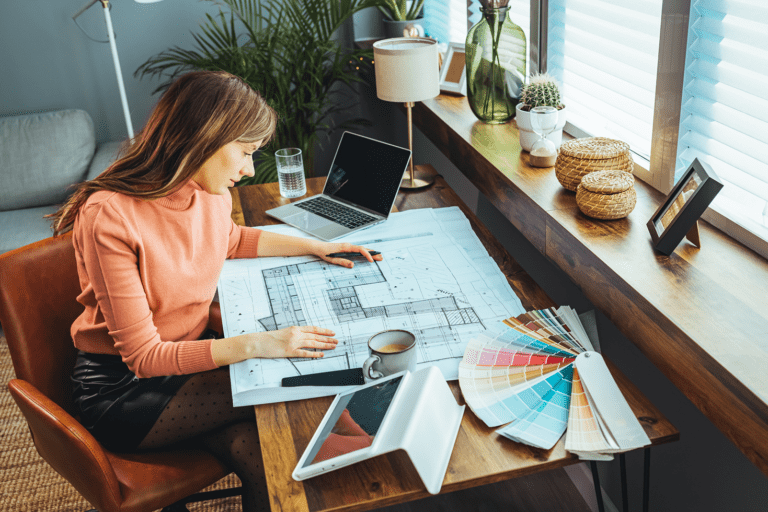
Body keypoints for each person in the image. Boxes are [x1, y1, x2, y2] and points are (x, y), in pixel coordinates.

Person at [50, 70, 382, 512]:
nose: (248, 170)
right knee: (293, 390)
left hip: (188, 361)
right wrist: (257, 344)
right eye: (244, 153)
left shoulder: (207, 190)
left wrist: (317, 246)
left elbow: (230, 241)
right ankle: (369, 456)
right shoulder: (109, 216)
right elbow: (144, 358)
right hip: (122, 390)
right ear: (203, 138)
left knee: (263, 452)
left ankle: (368, 462)